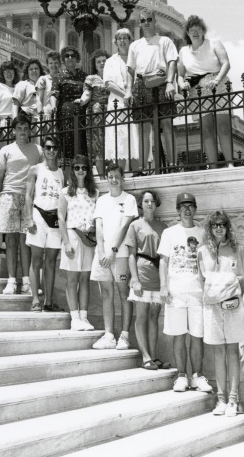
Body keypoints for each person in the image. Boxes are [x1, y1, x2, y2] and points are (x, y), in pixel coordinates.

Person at [158, 191, 213, 393]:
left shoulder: (203, 234)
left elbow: (208, 263)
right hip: (176, 291)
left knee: (197, 335)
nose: (187, 209)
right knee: (178, 335)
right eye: (183, 206)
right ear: (178, 210)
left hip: (198, 292)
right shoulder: (169, 233)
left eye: (190, 206)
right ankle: (181, 375)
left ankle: (197, 376)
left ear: (195, 209)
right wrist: (163, 287)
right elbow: (163, 261)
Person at [197, 210, 244, 417]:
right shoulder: (202, 251)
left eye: (222, 224)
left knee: (233, 350)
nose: (219, 228)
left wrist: (231, 296)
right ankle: (221, 399)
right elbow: (201, 280)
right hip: (212, 308)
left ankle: (234, 399)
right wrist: (214, 296)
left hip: (232, 306)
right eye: (215, 225)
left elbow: (243, 278)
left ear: (227, 227)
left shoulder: (237, 249)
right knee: (218, 351)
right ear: (210, 228)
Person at [90, 161, 138, 350]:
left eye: (117, 177)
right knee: (106, 294)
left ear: (122, 178)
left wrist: (112, 251)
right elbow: (99, 228)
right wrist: (102, 251)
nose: (114, 180)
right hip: (102, 255)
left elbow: (124, 226)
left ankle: (124, 336)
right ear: (107, 178)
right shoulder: (101, 200)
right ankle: (109, 334)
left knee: (123, 293)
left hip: (121, 255)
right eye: (110, 177)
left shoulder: (129, 200)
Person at [0, 114, 43, 295]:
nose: (22, 132)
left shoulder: (38, 150)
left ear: (30, 130)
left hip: (30, 199)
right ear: (14, 130)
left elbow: (44, 176)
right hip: (8, 197)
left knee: (26, 242)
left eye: (25, 128)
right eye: (19, 128)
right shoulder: (5, 150)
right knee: (11, 241)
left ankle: (27, 281)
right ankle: (12, 280)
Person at [124, 8, 177, 171]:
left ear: (154, 22)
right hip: (141, 84)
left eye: (148, 20)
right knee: (143, 127)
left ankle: (173, 163)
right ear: (139, 23)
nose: (146, 23)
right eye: (142, 20)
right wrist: (128, 90)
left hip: (161, 81)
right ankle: (143, 167)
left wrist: (170, 82)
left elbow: (172, 62)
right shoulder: (135, 45)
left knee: (167, 123)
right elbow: (130, 70)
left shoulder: (165, 41)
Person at [177, 15, 233, 168]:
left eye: (198, 29)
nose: (195, 32)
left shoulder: (214, 43)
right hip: (198, 91)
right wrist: (183, 85)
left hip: (218, 85)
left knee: (223, 127)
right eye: (192, 30)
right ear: (187, 33)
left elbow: (226, 63)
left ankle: (230, 163)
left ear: (203, 31)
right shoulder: (183, 51)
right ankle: (213, 165)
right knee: (207, 130)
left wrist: (217, 80)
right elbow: (180, 76)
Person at [125, 189, 167, 370]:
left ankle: (155, 356)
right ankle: (145, 357)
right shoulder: (135, 225)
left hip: (158, 277)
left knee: (153, 317)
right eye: (146, 201)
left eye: (152, 201)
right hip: (141, 275)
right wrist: (134, 279)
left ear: (156, 204)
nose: (149, 204)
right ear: (141, 204)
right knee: (141, 316)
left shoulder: (163, 227)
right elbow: (131, 255)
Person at [58, 154, 98, 331]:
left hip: (88, 239)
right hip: (73, 237)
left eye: (84, 167)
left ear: (88, 170)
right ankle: (74, 318)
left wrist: (93, 227)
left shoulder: (94, 193)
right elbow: (60, 217)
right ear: (72, 171)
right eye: (77, 167)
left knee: (85, 278)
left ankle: (84, 316)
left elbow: (98, 217)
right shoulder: (66, 192)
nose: (80, 171)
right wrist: (66, 242)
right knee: (72, 278)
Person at [25, 135, 64, 312]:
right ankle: (35, 300)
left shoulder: (62, 173)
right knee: (36, 260)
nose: (51, 151)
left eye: (54, 148)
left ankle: (48, 301)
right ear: (44, 149)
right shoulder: (35, 169)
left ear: (58, 150)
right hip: (38, 216)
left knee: (51, 261)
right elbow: (28, 195)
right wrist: (28, 218)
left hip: (54, 220)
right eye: (48, 147)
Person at [104, 27, 138, 172]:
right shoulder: (110, 61)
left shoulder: (137, 58)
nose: (122, 41)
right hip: (118, 103)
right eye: (119, 38)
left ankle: (139, 172)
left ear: (130, 40)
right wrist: (126, 94)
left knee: (136, 139)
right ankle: (121, 173)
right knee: (120, 142)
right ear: (115, 42)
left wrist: (132, 94)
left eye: (125, 38)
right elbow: (108, 83)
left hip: (135, 103)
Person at [50, 46, 87, 161]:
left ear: (77, 59)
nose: (70, 58)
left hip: (82, 112)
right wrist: (53, 106)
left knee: (82, 139)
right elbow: (54, 93)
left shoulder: (84, 75)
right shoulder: (58, 76)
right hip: (65, 113)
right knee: (67, 140)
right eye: (67, 56)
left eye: (73, 55)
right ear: (63, 59)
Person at [80, 49, 110, 179]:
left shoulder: (113, 76)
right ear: (95, 64)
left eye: (104, 61)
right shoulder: (91, 78)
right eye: (99, 62)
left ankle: (113, 174)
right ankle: (102, 177)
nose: (102, 63)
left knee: (112, 143)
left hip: (112, 112)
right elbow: (87, 93)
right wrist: (81, 101)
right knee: (99, 145)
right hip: (96, 113)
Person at [13, 59, 44, 134]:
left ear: (40, 71)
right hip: (27, 119)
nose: (34, 71)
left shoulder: (44, 85)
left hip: (42, 120)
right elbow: (15, 103)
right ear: (27, 72)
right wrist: (15, 122)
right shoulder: (23, 84)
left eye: (36, 68)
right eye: (31, 69)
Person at [0, 60, 19, 125]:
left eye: (11, 71)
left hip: (17, 123)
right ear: (2, 74)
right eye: (6, 72)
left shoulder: (18, 88)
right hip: (2, 122)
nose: (9, 74)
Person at [36, 50, 62, 122]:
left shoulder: (63, 79)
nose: (53, 65)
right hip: (46, 115)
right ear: (47, 65)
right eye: (51, 63)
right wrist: (41, 114)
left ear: (60, 64)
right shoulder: (43, 79)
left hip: (60, 115)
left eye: (56, 63)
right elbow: (38, 99)